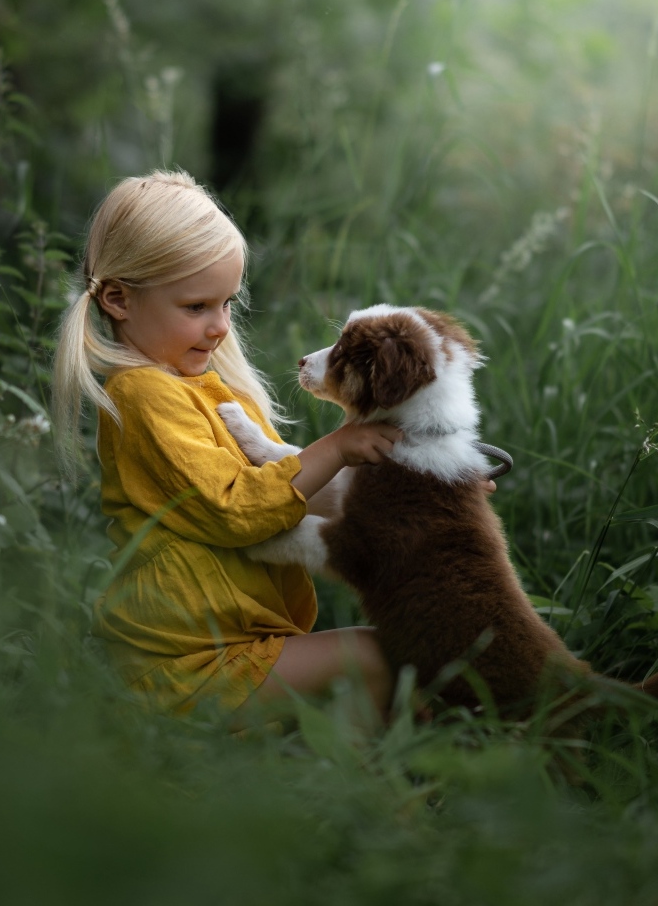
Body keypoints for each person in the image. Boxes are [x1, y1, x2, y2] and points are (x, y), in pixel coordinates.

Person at [52, 168, 402, 716]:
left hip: (228, 646)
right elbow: (240, 507)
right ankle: (367, 794)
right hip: (184, 669)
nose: (219, 326)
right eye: (196, 307)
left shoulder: (198, 388)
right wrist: (336, 447)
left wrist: (417, 488)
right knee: (378, 657)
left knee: (391, 656)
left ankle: (340, 779)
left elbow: (290, 494)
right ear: (119, 300)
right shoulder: (144, 394)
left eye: (227, 304)